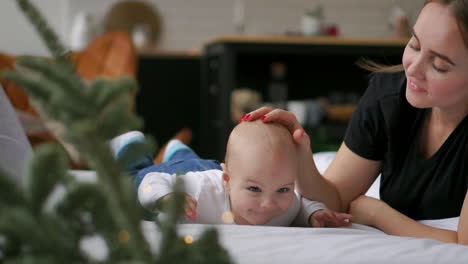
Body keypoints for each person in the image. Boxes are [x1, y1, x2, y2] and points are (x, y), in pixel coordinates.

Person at [243, 0, 468, 244]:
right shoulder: (388, 97)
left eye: (439, 65)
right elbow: (335, 199)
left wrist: (377, 213)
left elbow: (463, 243)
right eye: (414, 45)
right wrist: (300, 152)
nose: (412, 69)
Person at [110, 121, 351, 227]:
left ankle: (179, 151)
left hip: (212, 168)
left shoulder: (284, 201)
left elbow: (300, 206)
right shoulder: (199, 191)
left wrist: (315, 214)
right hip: (185, 180)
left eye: (283, 189)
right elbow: (153, 182)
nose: (269, 205)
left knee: (195, 164)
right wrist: (165, 197)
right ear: (228, 181)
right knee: (130, 185)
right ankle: (131, 145)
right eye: (254, 189)